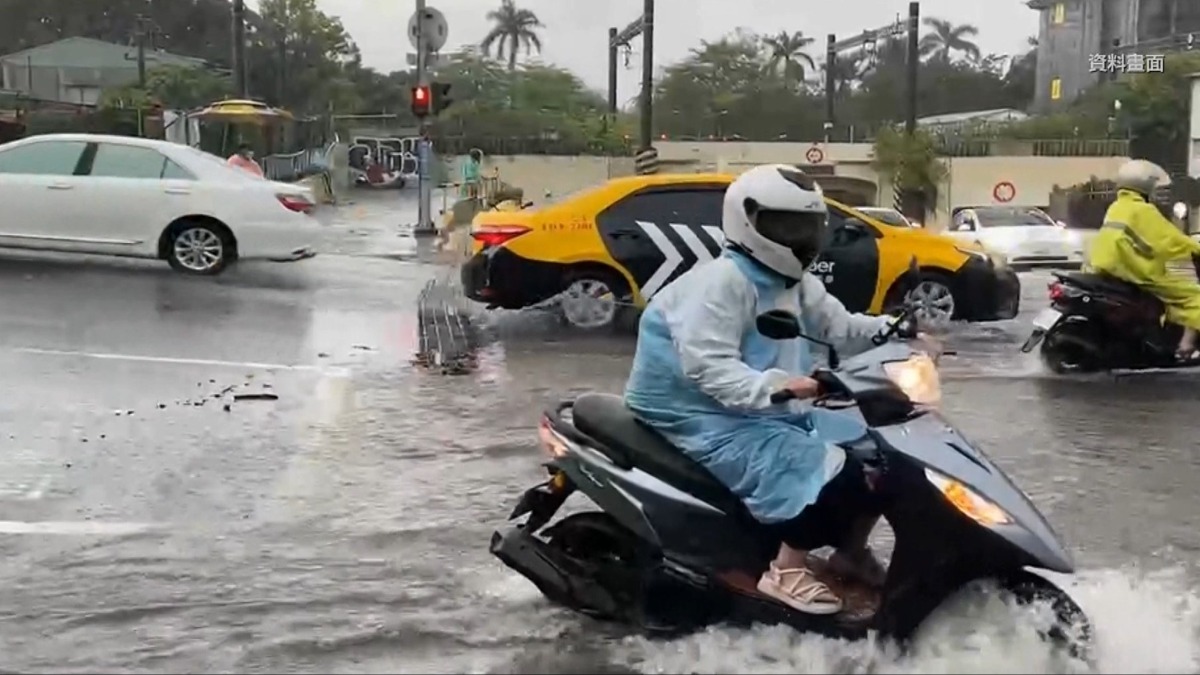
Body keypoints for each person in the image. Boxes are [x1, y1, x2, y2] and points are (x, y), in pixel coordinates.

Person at [624, 164, 892, 615]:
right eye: (787, 225)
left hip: (761, 404)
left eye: (807, 225)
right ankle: (784, 571)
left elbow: (841, 327)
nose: (800, 237)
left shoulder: (795, 282)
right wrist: (788, 386)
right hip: (699, 416)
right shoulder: (720, 284)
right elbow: (710, 370)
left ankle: (849, 552)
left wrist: (895, 330)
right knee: (834, 470)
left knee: (881, 452)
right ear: (748, 221)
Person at [1087, 159, 1200, 363]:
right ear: (1144, 186)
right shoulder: (1143, 211)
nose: (1159, 194)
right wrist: (1195, 248)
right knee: (1192, 294)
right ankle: (1186, 347)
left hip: (1107, 265)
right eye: (1157, 188)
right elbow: (1169, 240)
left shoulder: (1118, 206)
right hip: (1132, 266)